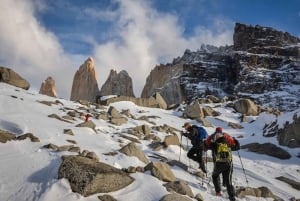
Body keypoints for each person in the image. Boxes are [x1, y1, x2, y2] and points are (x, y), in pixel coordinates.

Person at [205, 127, 237, 201]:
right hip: (228, 163)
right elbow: (237, 146)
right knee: (228, 180)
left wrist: (205, 143)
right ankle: (232, 197)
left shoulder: (215, 143)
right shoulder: (228, 143)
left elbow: (207, 146)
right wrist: (235, 140)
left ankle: (218, 191)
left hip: (218, 163)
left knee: (215, 175)